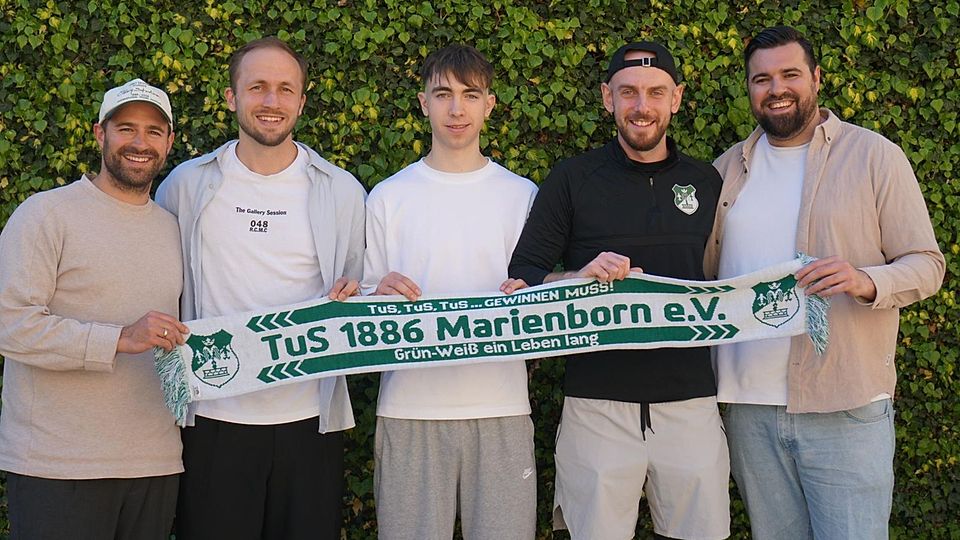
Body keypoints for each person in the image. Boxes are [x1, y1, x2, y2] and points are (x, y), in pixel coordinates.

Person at [706, 25, 946, 539]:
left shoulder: (875, 157)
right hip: (749, 406)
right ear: (749, 89)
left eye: (790, 74)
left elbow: (927, 263)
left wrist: (864, 279)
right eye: (761, 79)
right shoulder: (724, 170)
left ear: (816, 77)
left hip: (845, 404)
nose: (777, 89)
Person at [509, 42, 730, 539]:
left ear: (676, 98)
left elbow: (725, 275)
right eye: (628, 92)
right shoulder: (572, 179)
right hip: (596, 404)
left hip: (690, 402)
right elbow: (524, 274)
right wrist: (577, 277)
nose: (641, 106)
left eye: (655, 92)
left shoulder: (707, 180)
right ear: (608, 98)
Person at [155, 36, 366, 540]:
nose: (271, 102)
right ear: (232, 97)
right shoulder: (185, 185)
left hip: (309, 417)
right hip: (212, 416)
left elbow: (358, 291)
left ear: (301, 101)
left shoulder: (341, 191)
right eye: (257, 87)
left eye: (285, 89)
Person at [361, 44, 538, 540]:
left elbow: (539, 301)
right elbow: (365, 308)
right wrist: (377, 293)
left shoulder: (522, 194)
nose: (456, 109)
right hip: (409, 409)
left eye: (469, 95)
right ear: (423, 103)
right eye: (443, 95)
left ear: (490, 104)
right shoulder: (388, 197)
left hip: (502, 408)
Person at [0, 78, 188, 539]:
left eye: (153, 131)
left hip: (155, 461)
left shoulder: (175, 229)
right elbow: (10, 324)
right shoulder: (45, 214)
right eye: (126, 128)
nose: (139, 143)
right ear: (99, 134)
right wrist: (119, 338)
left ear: (168, 143)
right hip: (58, 465)